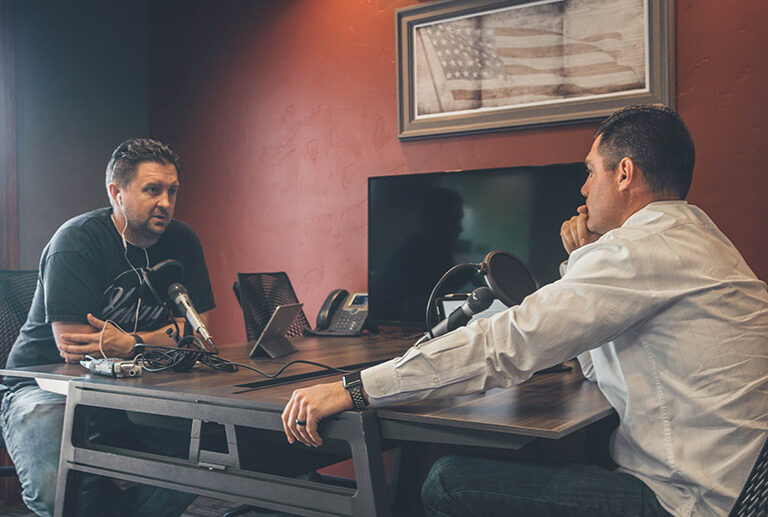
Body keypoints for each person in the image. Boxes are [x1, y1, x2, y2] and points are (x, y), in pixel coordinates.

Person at [281, 105, 768, 516]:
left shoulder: (636, 251)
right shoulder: (696, 239)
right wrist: (582, 260)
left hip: (686, 502)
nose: (584, 189)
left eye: (590, 171)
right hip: (733, 492)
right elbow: (591, 364)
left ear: (624, 174)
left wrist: (353, 388)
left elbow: (503, 345)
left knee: (447, 480)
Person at [1, 138, 215, 517]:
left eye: (172, 191)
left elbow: (197, 334)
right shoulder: (77, 241)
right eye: (152, 190)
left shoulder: (183, 240)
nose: (165, 202)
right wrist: (161, 341)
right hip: (45, 387)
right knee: (54, 490)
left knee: (205, 456)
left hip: (136, 384)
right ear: (116, 193)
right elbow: (73, 348)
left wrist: (132, 343)